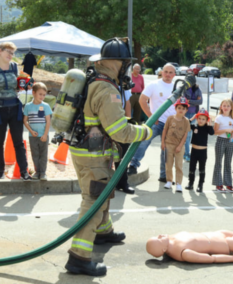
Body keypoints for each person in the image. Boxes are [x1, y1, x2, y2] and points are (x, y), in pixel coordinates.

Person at [64, 37, 153, 276]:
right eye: (125, 62)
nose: (126, 66)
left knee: (101, 192)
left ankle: (103, 231)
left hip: (85, 150)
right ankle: (79, 258)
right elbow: (119, 131)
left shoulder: (93, 79)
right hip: (93, 154)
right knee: (94, 200)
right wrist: (145, 131)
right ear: (116, 62)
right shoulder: (106, 88)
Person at [128, 63, 177, 182]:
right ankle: (133, 165)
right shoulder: (154, 85)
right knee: (143, 142)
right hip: (156, 122)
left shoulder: (176, 88)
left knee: (166, 150)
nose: (168, 74)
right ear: (161, 72)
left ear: (174, 74)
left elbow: (180, 106)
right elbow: (142, 100)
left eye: (171, 72)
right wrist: (151, 117)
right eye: (166, 71)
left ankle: (164, 175)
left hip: (171, 124)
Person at [0, 42, 31, 181]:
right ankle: (0, 171)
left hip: (15, 108)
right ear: (0, 51)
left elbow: (20, 84)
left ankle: (24, 171)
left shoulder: (14, 67)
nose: (10, 55)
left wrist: (26, 84)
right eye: (8, 51)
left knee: (18, 142)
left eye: (12, 53)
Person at [22, 82, 52, 180]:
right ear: (33, 93)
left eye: (44, 95)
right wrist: (31, 131)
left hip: (43, 136)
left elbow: (48, 121)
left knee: (43, 154)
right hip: (33, 136)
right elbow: (25, 121)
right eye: (40, 94)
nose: (42, 96)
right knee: (35, 154)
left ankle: (43, 173)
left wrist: (45, 134)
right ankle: (37, 172)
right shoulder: (28, 106)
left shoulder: (46, 106)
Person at [161, 97, 191, 192]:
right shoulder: (170, 118)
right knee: (168, 164)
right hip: (168, 145)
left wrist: (180, 146)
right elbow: (165, 130)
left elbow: (185, 134)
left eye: (183, 108)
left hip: (179, 147)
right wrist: (163, 142)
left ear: (186, 110)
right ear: (175, 108)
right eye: (179, 108)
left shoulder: (186, 121)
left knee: (179, 165)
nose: (181, 110)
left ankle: (178, 183)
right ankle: (169, 181)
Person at [185, 108, 214, 193]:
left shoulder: (207, 128)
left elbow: (212, 132)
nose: (201, 121)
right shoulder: (194, 126)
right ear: (197, 119)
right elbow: (186, 124)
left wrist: (210, 123)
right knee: (192, 168)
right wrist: (192, 118)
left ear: (206, 120)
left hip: (202, 152)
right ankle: (190, 183)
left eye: (203, 119)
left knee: (202, 169)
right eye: (199, 118)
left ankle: (200, 184)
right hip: (194, 151)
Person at [113, 88, 135, 194]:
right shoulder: (104, 84)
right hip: (104, 123)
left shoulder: (123, 85)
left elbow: (127, 103)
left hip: (121, 124)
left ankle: (122, 184)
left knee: (123, 155)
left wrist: (128, 123)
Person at [212, 99, 233, 192]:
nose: (226, 107)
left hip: (230, 141)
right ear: (221, 107)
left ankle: (228, 184)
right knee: (218, 162)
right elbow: (215, 132)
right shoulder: (219, 118)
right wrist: (226, 130)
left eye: (228, 106)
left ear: (232, 108)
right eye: (224, 105)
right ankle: (218, 184)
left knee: (228, 163)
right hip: (220, 140)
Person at [183, 84, 203, 162]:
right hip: (185, 113)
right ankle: (187, 154)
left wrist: (189, 101)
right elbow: (183, 102)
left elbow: (200, 101)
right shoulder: (184, 89)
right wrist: (195, 101)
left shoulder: (198, 89)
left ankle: (186, 153)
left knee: (189, 135)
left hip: (194, 114)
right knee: (187, 135)